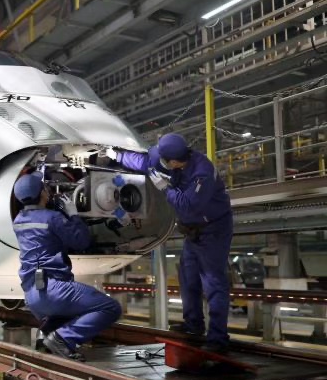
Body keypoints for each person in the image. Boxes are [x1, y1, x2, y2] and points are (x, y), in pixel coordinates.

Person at [108, 133, 233, 353]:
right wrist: (115, 155)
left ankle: (218, 339)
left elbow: (187, 206)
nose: (160, 160)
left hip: (214, 231)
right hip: (192, 232)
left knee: (213, 283)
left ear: (174, 162)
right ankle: (194, 326)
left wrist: (165, 188)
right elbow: (144, 162)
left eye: (164, 160)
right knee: (188, 278)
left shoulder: (202, 173)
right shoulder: (165, 158)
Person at [12, 171, 122, 361]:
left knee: (71, 310)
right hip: (55, 290)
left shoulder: (18, 221)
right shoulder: (52, 218)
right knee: (110, 307)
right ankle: (63, 339)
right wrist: (73, 214)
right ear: (43, 193)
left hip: (32, 294)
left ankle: (45, 334)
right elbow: (81, 242)